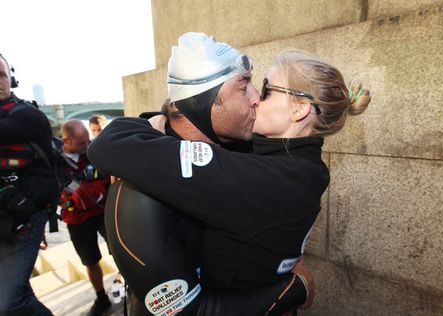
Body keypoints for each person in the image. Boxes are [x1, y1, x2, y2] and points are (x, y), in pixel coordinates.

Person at [89, 33, 322, 315]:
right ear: (205, 100)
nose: (256, 99)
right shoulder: (139, 193)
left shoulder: (243, 149)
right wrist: (293, 290)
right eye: (244, 86)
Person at [0, 54, 55, 315]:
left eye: (1, 75)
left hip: (22, 219)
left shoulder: (28, 117)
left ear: (11, 79)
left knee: (8, 303)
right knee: (18, 291)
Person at [59, 119, 112, 316]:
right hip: (77, 220)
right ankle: (101, 297)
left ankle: (131, 286)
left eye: (87, 140)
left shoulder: (94, 153)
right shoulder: (55, 162)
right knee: (90, 260)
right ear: (66, 140)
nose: (86, 145)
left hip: (103, 212)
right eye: (81, 143)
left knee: (120, 250)